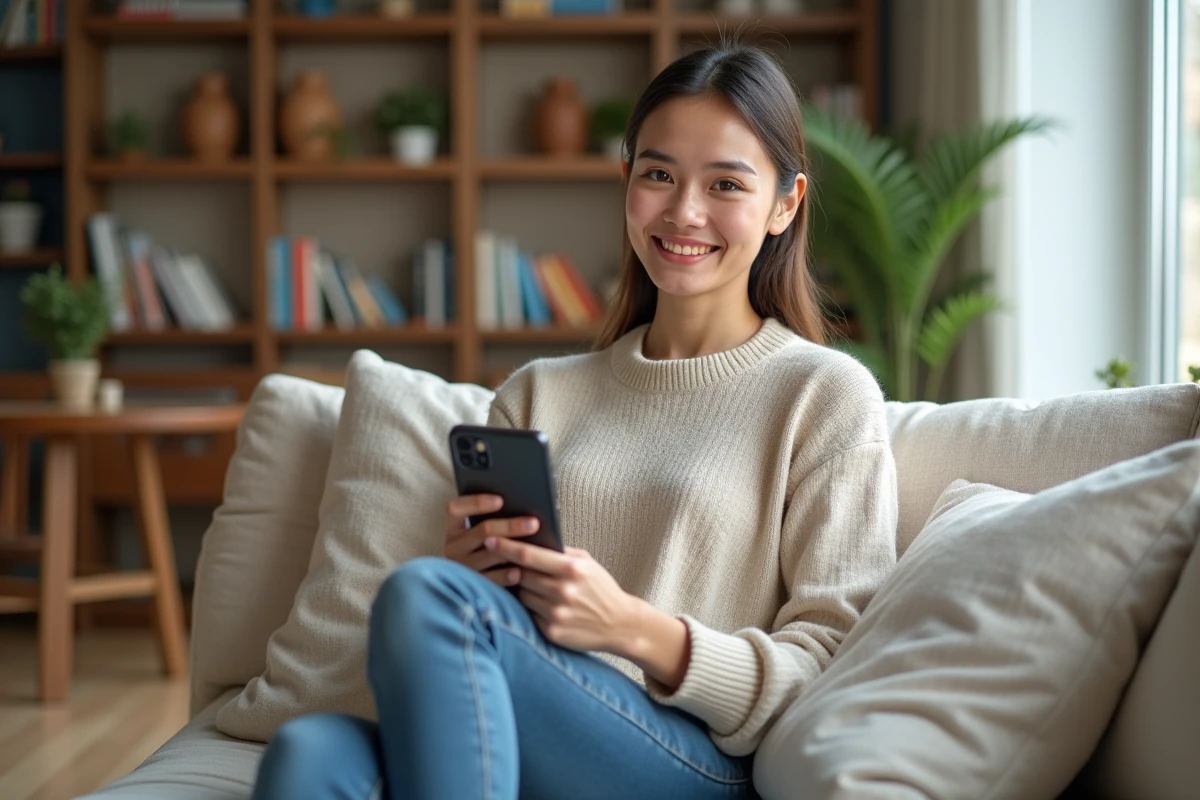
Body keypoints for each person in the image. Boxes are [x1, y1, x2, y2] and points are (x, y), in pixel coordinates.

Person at [252, 41, 898, 800]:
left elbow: (829, 661)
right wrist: (474, 582)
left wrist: (630, 627)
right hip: (529, 725)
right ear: (627, 181)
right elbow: (476, 623)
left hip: (696, 759)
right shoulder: (537, 395)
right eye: (658, 173)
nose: (684, 211)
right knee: (308, 751)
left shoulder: (822, 395)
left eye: (726, 183)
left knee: (427, 597)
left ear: (785, 203)